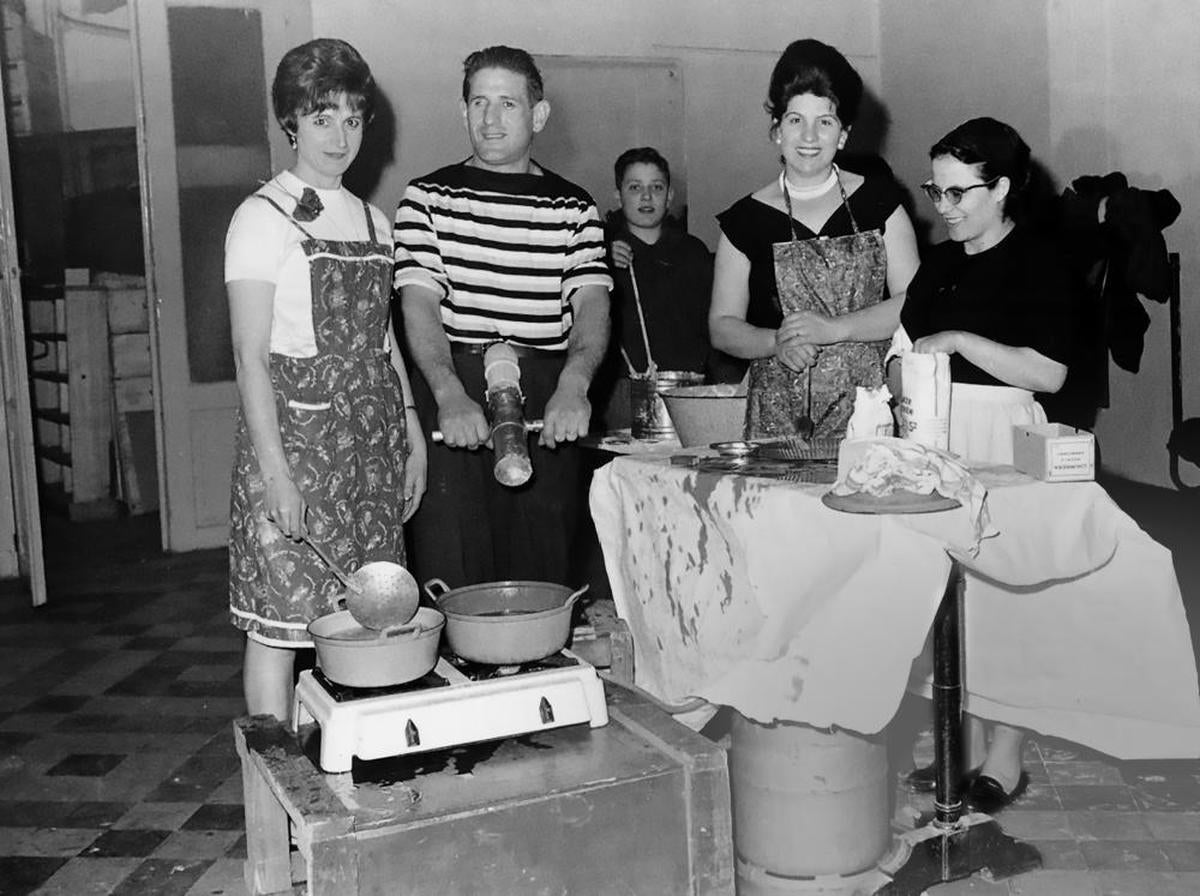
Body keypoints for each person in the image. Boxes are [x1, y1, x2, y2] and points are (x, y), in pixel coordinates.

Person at [225, 39, 426, 722]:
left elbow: (385, 340)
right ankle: (274, 792)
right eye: (321, 118)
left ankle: (352, 775)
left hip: (369, 444)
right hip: (298, 444)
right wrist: (276, 472)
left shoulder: (376, 221)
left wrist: (412, 437)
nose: (340, 136)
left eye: (352, 117)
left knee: (372, 614)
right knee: (281, 623)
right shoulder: (261, 218)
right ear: (291, 122)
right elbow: (249, 356)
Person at [890, 117, 1076, 812]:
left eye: (959, 193)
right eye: (935, 193)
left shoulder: (1039, 261)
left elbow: (1051, 373)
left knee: (1004, 596)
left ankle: (1007, 751)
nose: (944, 209)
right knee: (943, 600)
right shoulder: (940, 262)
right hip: (934, 432)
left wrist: (961, 337)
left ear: (1000, 188)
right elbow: (906, 343)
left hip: (1004, 438)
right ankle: (955, 739)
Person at [393, 45, 611, 588]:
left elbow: (591, 303)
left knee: (543, 570)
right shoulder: (426, 199)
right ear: (462, 109)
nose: (490, 119)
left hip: (546, 391)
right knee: (454, 574)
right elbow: (417, 305)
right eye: (478, 103)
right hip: (458, 390)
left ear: (538, 115)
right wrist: (446, 395)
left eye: (507, 104)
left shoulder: (574, 208)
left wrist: (575, 386)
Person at [709, 38, 919, 440]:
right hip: (778, 415)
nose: (809, 136)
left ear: (843, 135)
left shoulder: (880, 202)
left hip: (871, 410)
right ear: (776, 129)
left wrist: (835, 329)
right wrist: (776, 342)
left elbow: (914, 302)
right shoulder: (744, 220)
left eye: (825, 121)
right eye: (794, 120)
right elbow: (722, 325)